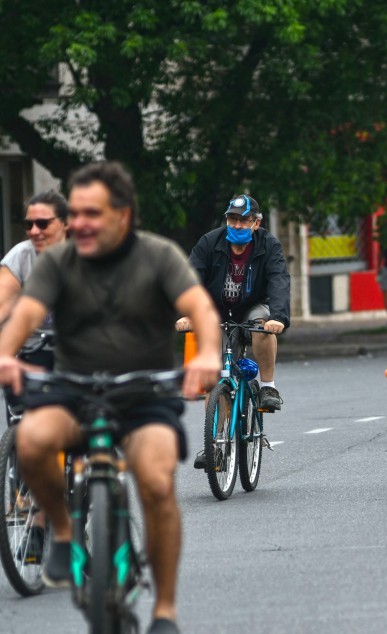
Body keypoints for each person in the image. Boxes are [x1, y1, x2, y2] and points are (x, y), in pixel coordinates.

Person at [0, 161, 221, 634]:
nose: (78, 223)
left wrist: (207, 353)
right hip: (73, 390)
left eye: (91, 213)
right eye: (74, 213)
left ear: (123, 214)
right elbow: (26, 312)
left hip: (143, 394)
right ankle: (61, 530)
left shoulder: (158, 256)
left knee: (158, 481)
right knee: (30, 440)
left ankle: (164, 610)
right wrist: (5, 352)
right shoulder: (59, 261)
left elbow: (199, 306)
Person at [176, 194, 290, 415]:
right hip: (217, 311)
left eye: (243, 220)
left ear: (256, 223)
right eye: (232, 219)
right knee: (215, 380)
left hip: (253, 307)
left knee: (262, 327)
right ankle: (217, 444)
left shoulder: (268, 245)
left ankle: (268, 387)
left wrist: (278, 318)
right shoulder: (210, 242)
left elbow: (279, 280)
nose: (237, 225)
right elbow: (190, 279)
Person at [0, 190, 69, 326]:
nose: (34, 231)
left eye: (42, 224)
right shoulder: (20, 255)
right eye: (28, 225)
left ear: (65, 223)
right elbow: (2, 304)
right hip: (31, 342)